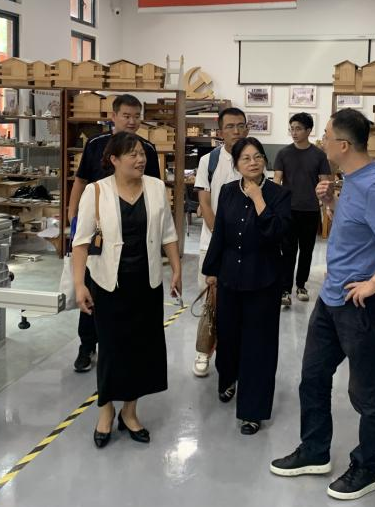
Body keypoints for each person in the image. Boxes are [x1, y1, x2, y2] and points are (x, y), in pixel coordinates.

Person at [270, 109, 375, 501]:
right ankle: (315, 450)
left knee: (365, 393)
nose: (320, 141)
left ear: (342, 145)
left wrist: (374, 283)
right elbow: (360, 228)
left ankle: (367, 468)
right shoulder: (351, 179)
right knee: (313, 377)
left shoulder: (374, 185)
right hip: (331, 297)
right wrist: (332, 202)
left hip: (359, 305)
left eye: (325, 135)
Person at [71, 132, 181, 448]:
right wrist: (79, 284)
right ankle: (106, 410)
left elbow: (168, 233)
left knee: (141, 350)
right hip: (108, 284)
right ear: (114, 160)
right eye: (132, 154)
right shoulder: (95, 191)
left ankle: (130, 412)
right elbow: (81, 243)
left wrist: (176, 269)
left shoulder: (156, 188)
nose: (140, 159)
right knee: (110, 349)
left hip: (147, 283)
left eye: (142, 153)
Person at [201, 137, 291, 435]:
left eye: (258, 157)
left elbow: (277, 233)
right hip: (229, 277)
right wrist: (211, 270)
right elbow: (220, 233)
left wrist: (258, 198)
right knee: (228, 337)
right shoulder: (227, 191)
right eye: (246, 158)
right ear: (237, 164)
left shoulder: (279, 194)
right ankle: (228, 378)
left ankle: (253, 410)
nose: (253, 163)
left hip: (264, 280)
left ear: (265, 160)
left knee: (259, 346)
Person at [67, 94, 160, 374]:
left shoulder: (147, 149)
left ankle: (124, 347)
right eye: (126, 116)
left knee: (122, 293)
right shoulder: (96, 145)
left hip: (131, 232)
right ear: (114, 116)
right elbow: (80, 181)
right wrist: (72, 218)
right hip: (97, 231)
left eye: (136, 116)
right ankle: (87, 345)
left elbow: (153, 189)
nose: (132, 121)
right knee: (92, 286)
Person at [191, 106, 248, 377]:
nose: (236, 131)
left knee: (239, 305)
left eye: (241, 125)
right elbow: (204, 203)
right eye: (230, 126)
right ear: (220, 131)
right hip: (212, 244)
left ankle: (234, 356)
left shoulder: (252, 158)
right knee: (211, 301)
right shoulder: (209, 161)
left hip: (245, 249)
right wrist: (220, 239)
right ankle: (203, 351)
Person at [274, 112, 331, 308]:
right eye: (292, 129)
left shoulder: (319, 155)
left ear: (308, 130)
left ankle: (301, 286)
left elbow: (325, 183)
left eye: (298, 129)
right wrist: (275, 207)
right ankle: (285, 289)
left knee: (307, 251)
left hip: (310, 210)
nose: (294, 132)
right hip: (288, 210)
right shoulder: (283, 153)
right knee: (287, 251)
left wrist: (327, 205)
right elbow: (277, 181)